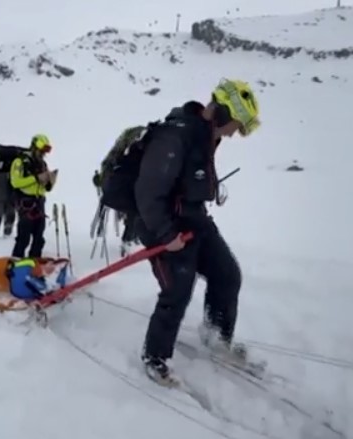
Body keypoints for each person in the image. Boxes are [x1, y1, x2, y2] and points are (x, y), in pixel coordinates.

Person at [133, 78, 260, 384]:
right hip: (161, 224)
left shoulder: (205, 136)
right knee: (178, 288)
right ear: (224, 113)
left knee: (227, 275)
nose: (235, 134)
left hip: (194, 220)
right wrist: (166, 235)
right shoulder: (175, 136)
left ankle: (217, 338)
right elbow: (148, 192)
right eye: (236, 125)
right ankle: (155, 356)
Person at [92, 126, 146, 253]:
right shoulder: (130, 156)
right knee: (136, 210)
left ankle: (132, 239)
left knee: (136, 211)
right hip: (121, 191)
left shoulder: (121, 155)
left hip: (118, 190)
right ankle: (129, 241)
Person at [9, 134, 57, 258]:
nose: (43, 154)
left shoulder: (42, 164)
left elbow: (45, 188)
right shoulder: (20, 162)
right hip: (25, 202)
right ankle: (16, 262)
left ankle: (35, 261)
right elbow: (15, 182)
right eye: (41, 150)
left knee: (39, 238)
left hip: (39, 202)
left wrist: (50, 181)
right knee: (23, 237)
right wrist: (35, 178)